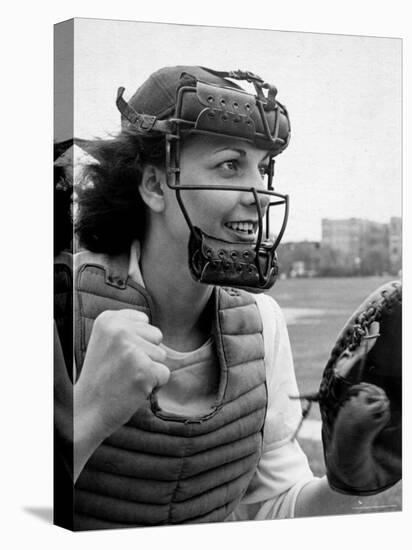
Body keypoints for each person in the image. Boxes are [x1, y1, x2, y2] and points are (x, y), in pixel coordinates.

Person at [54, 66, 399, 530]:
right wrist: (88, 415)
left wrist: (349, 477)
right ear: (155, 185)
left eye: (262, 168)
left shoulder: (261, 321)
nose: (259, 193)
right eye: (230, 165)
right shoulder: (58, 309)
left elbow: (272, 509)